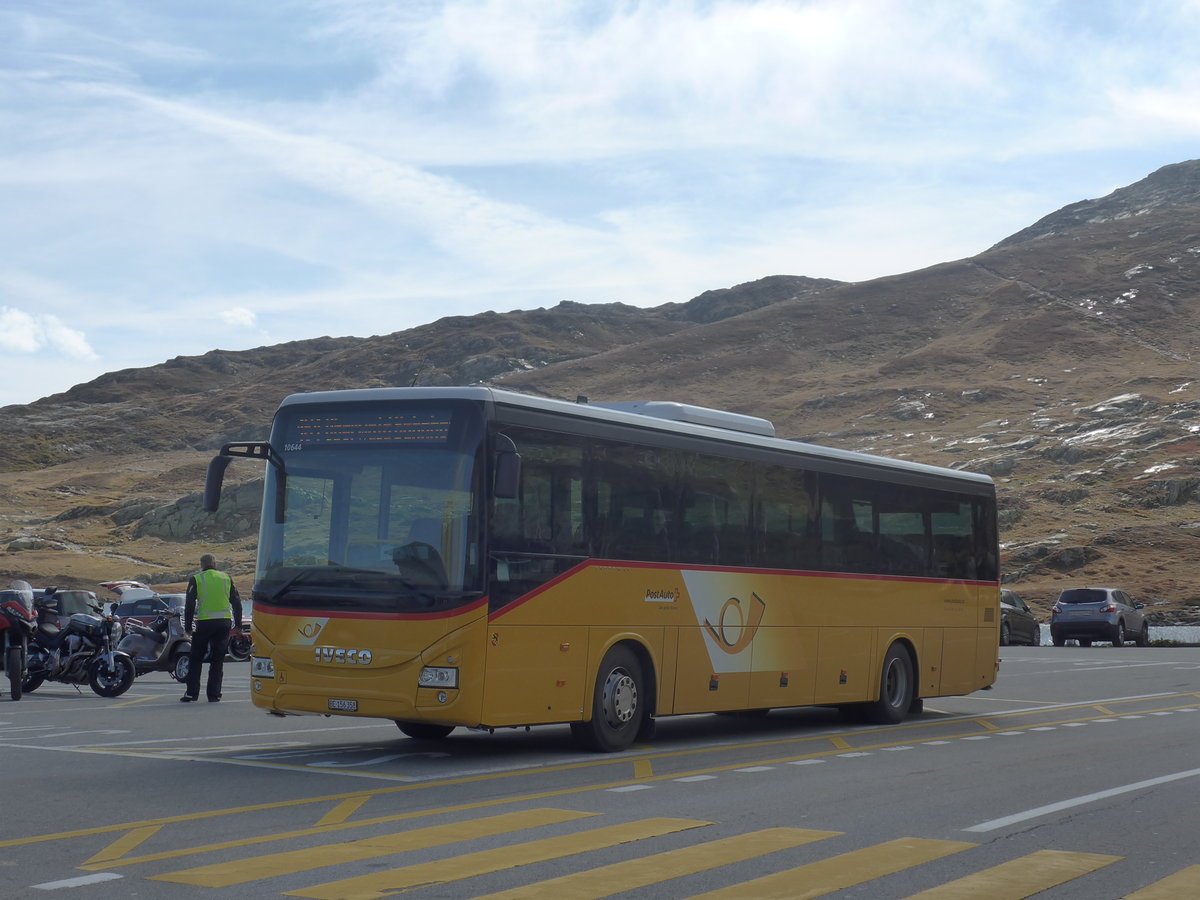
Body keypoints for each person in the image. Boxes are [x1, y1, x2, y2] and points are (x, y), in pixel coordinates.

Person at [181, 553, 243, 703]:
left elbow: (190, 604)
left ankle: (192, 693)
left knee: (196, 657)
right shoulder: (226, 578)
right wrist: (238, 625)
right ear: (215, 564)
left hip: (205, 622)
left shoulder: (197, 579)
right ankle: (214, 694)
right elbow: (237, 602)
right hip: (223, 622)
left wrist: (188, 626)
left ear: (201, 565)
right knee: (218, 659)